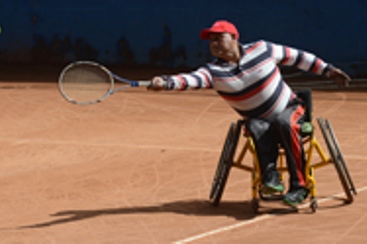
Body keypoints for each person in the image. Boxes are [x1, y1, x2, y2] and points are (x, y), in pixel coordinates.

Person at [148, 20, 351, 206]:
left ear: (235, 37)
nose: (214, 44)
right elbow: (191, 79)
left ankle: (299, 186)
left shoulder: (262, 49)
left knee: (284, 122)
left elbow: (298, 58)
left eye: (219, 38)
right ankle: (270, 178)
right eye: (211, 41)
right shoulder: (213, 72)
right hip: (259, 121)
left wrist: (328, 70)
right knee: (254, 125)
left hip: (291, 109)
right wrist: (166, 82)